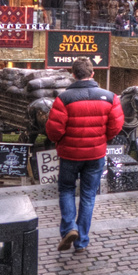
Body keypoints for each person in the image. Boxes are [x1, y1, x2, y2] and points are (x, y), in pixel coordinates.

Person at [44, 56, 123, 252]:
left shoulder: (63, 99)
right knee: (88, 196)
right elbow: (115, 127)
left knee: (67, 190)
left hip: (70, 155)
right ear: (92, 73)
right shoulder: (110, 97)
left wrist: (61, 141)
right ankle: (81, 241)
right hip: (95, 155)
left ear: (73, 75)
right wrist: (101, 139)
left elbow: (54, 131)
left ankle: (69, 228)